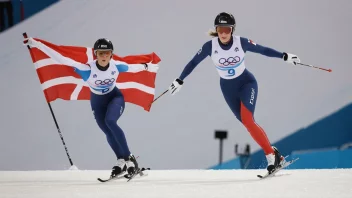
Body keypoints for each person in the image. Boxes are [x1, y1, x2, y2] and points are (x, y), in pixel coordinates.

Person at [168, 12, 301, 174]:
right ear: (216, 30)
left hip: (246, 83)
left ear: (232, 30)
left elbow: (263, 50)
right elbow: (193, 62)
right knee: (248, 123)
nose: (223, 33)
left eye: (227, 30)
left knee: (248, 119)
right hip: (227, 88)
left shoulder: (241, 42)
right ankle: (275, 154)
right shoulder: (210, 46)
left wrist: (284, 56)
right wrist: (180, 79)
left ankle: (271, 158)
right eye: (220, 30)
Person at [24, 37, 158, 178]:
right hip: (97, 101)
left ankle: (129, 159)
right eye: (101, 53)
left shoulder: (116, 65)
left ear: (111, 54)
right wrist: (36, 44)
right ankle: (121, 161)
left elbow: (133, 67)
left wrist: (148, 66)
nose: (104, 56)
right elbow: (61, 58)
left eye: (107, 53)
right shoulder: (86, 68)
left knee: (110, 121)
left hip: (115, 97)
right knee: (107, 130)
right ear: (95, 54)